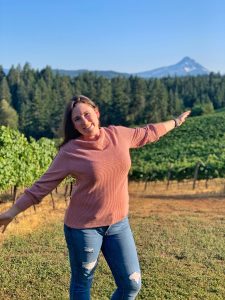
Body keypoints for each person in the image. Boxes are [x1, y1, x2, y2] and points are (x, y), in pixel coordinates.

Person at [0, 95, 191, 300]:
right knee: (83, 285)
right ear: (72, 124)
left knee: (131, 284)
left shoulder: (119, 135)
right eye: (77, 119)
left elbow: (148, 133)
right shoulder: (70, 152)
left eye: (86, 114)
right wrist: (11, 212)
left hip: (118, 224)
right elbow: (40, 187)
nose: (84, 121)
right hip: (83, 228)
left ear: (96, 113)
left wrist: (175, 122)